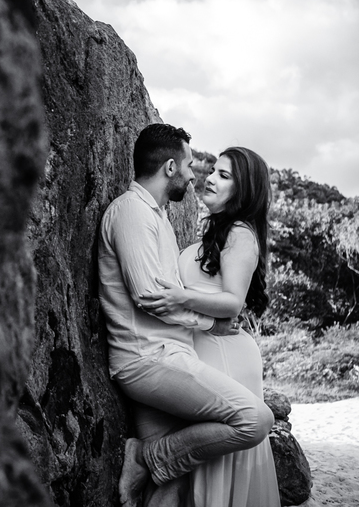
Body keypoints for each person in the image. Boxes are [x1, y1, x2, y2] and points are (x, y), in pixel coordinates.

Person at [99, 124, 274, 507]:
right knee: (256, 420)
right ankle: (146, 457)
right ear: (170, 167)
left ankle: (150, 459)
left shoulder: (159, 217)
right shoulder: (133, 212)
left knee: (172, 490)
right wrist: (210, 322)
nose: (198, 175)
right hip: (149, 358)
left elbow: (206, 297)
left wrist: (208, 315)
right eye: (193, 165)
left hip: (172, 356)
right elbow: (150, 296)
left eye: (221, 174)